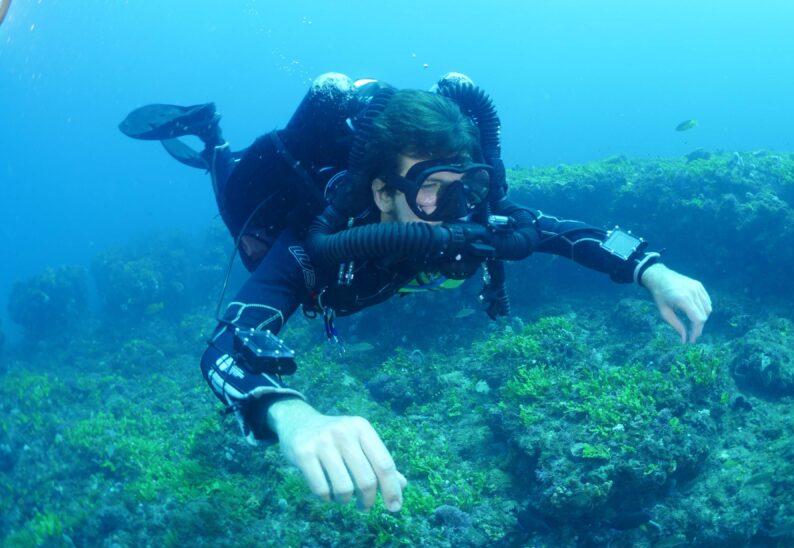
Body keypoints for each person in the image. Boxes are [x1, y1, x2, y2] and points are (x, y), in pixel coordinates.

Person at [121, 72, 712, 514]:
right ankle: (211, 139)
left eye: (468, 186)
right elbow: (224, 346)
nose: (460, 211)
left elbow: (567, 232)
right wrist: (291, 415)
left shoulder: (469, 213)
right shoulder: (311, 244)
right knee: (232, 198)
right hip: (260, 211)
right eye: (433, 190)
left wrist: (653, 270)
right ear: (383, 193)